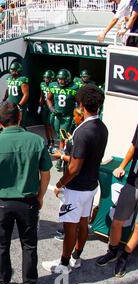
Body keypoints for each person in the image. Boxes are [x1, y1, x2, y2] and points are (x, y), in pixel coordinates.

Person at [0, 100, 51, 284]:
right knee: (29, 244)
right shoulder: (36, 141)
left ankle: (3, 282)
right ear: (20, 117)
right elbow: (46, 173)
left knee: (2, 244)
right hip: (28, 202)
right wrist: (41, 196)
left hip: (2, 202)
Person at [42, 84, 108, 274]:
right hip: (91, 186)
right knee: (82, 222)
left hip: (76, 188)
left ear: (80, 104)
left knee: (70, 226)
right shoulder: (102, 127)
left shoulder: (82, 131)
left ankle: (63, 265)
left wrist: (60, 184)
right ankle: (75, 258)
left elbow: (74, 168)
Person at [95, 123, 138, 277]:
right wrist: (122, 166)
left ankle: (125, 256)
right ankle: (112, 251)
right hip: (134, 181)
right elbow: (133, 146)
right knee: (117, 221)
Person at [50, 106, 84, 242]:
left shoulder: (82, 134)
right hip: (73, 174)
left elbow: (77, 160)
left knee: (67, 204)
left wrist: (61, 156)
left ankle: (65, 231)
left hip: (72, 176)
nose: (73, 119)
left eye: (75, 116)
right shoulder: (77, 131)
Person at [47, 69, 79, 171]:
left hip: (67, 116)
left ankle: (61, 158)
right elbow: (48, 98)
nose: (61, 81)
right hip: (58, 116)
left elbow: (79, 102)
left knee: (62, 137)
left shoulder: (74, 87)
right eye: (59, 79)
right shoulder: (53, 85)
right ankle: (64, 152)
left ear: (68, 79)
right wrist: (51, 108)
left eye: (63, 79)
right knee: (59, 135)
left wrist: (77, 114)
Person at [3, 62, 29, 127]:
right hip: (10, 105)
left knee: (20, 125)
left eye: (13, 69)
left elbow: (26, 95)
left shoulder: (22, 79)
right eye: (11, 69)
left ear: (18, 70)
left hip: (19, 105)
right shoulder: (9, 78)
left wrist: (19, 105)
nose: (12, 71)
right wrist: (4, 98)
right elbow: (8, 89)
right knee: (10, 124)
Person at [39, 70, 56, 150]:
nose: (46, 79)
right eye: (45, 77)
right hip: (45, 107)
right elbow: (42, 95)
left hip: (52, 107)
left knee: (50, 124)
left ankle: (52, 141)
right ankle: (49, 140)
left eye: (48, 78)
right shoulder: (42, 84)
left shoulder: (55, 85)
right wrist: (40, 106)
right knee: (46, 125)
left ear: (52, 78)